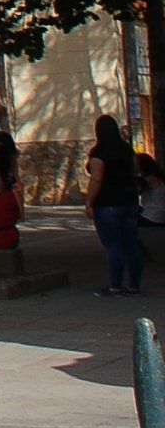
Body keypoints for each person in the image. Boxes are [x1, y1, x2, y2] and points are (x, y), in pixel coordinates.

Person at [89, 113, 145, 295]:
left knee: (113, 245)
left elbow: (97, 178)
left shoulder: (99, 152)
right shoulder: (126, 149)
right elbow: (136, 169)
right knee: (131, 244)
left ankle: (115, 286)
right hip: (129, 200)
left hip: (108, 202)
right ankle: (134, 285)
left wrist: (89, 201)